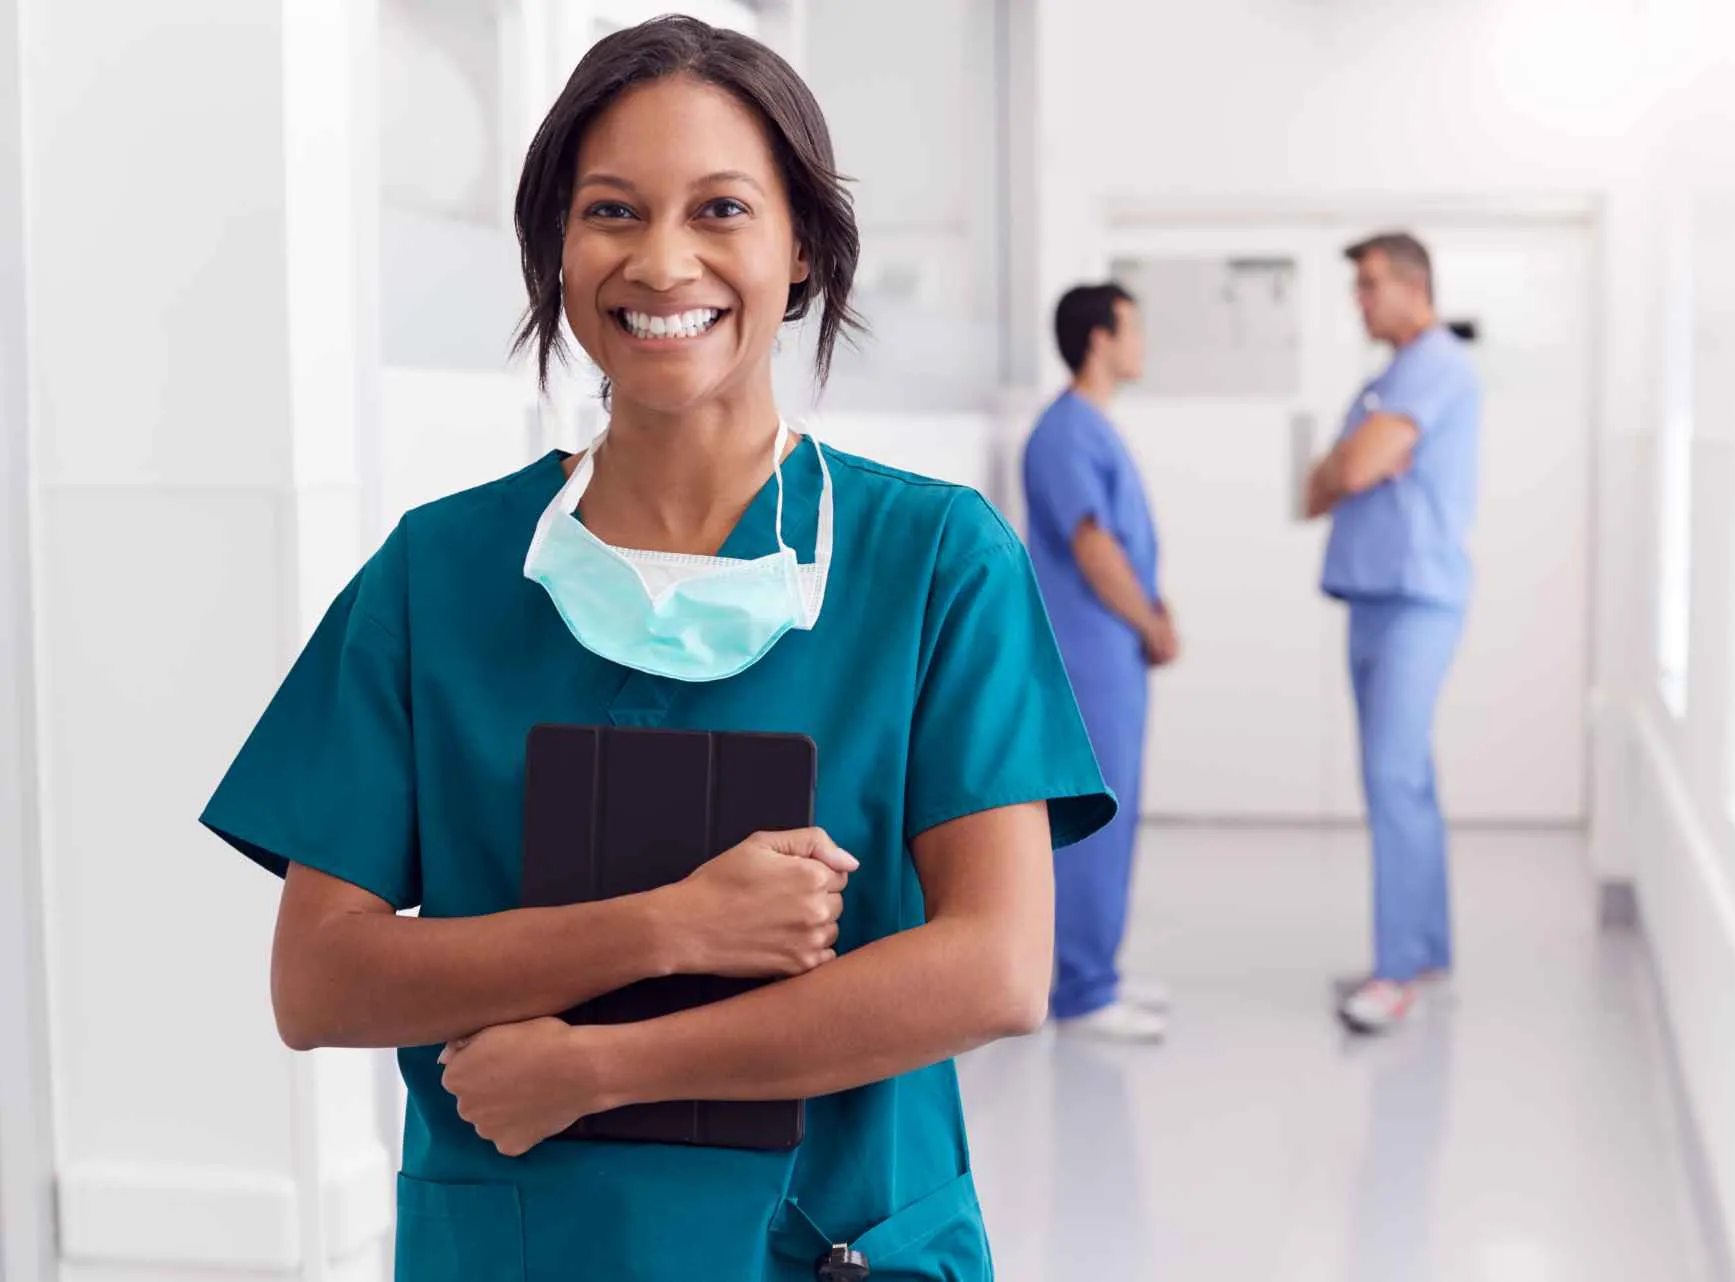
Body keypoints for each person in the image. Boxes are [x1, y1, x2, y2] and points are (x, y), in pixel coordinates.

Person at [200, 18, 1112, 1280]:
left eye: (723, 209)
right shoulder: (441, 574)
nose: (663, 259)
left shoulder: (936, 563)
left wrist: (602, 1066)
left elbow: (999, 969)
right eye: (612, 211)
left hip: (832, 1236)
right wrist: (670, 926)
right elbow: (321, 981)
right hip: (525, 1243)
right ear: (558, 254)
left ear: (802, 251)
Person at [1305, 231, 1481, 1035]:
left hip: (1415, 599)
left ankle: (1398, 972)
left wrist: (1350, 462)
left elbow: (1349, 470)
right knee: (1408, 777)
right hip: (1376, 596)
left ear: (1415, 286)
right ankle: (1426, 948)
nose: (1360, 299)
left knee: (1389, 775)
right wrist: (1348, 464)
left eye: (1371, 284)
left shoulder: (1437, 365)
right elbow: (1320, 484)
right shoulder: (1390, 378)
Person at [1022, 283, 1177, 1045]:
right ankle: (1081, 989)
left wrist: (1155, 609)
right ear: (1099, 337)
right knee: (1096, 819)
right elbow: (1092, 545)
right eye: (1135, 326)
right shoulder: (1063, 434)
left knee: (1119, 816)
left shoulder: (1094, 428)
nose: (1143, 341)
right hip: (1089, 651)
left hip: (1113, 647)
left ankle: (1097, 970)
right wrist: (1146, 617)